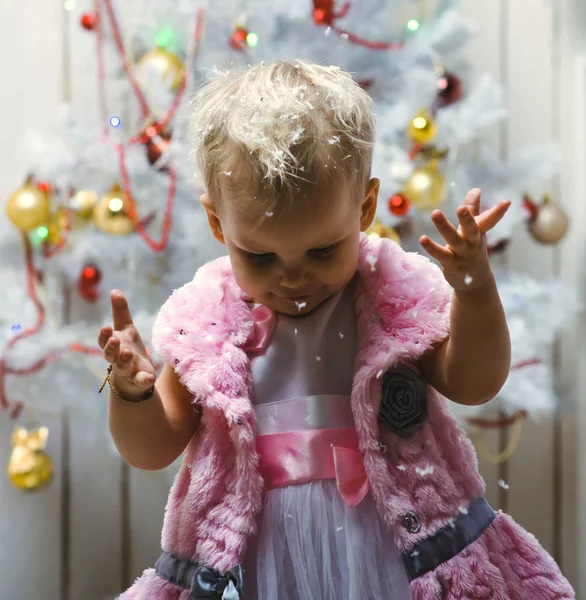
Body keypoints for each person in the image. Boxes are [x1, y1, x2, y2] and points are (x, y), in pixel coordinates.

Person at [98, 59, 574, 599]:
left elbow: (475, 382)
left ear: (365, 207)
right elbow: (152, 448)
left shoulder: (390, 293)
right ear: (217, 224)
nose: (293, 274)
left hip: (391, 551)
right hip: (259, 564)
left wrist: (474, 289)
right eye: (259, 256)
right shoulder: (207, 322)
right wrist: (132, 394)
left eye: (323, 249)